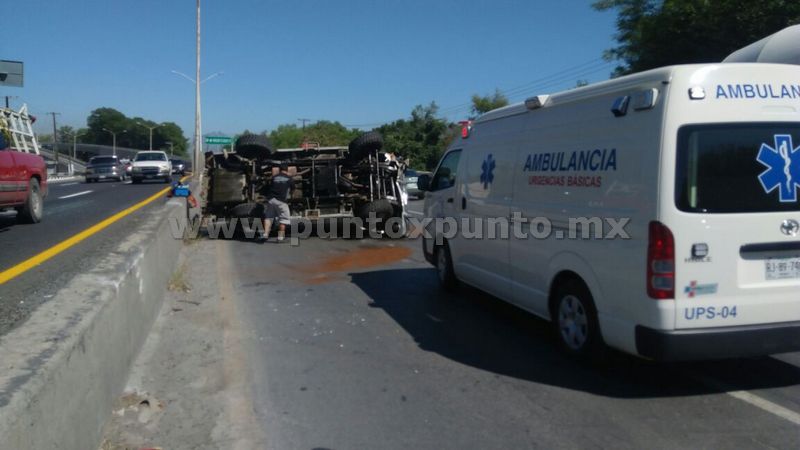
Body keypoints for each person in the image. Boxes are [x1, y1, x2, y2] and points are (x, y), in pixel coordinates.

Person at [261, 162, 294, 242]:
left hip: (271, 199)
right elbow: (292, 189)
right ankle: (280, 237)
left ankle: (265, 234)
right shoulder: (289, 178)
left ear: (279, 170)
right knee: (283, 219)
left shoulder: (274, 177)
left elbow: (269, 186)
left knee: (268, 217)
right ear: (287, 170)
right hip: (281, 201)